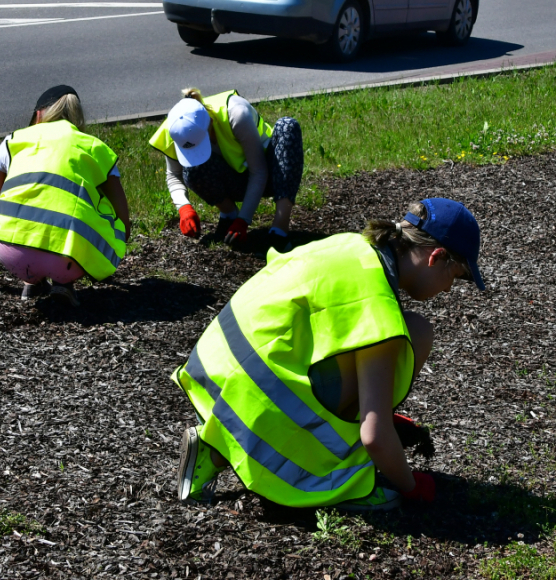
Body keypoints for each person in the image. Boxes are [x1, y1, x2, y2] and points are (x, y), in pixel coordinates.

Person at [172, 198, 487, 512]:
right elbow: (374, 436)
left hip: (215, 370)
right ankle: (342, 479)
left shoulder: (353, 246)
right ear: (436, 257)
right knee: (407, 338)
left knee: (414, 330)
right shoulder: (375, 300)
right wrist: (411, 486)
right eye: (457, 277)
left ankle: (217, 439)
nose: (448, 290)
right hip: (251, 402)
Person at [0, 85, 131, 307]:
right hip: (68, 261)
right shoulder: (96, 148)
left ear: (39, 114)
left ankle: (31, 279)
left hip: (11, 252)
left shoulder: (12, 142)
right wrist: (103, 259)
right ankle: (64, 282)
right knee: (97, 207)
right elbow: (124, 223)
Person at [149, 88, 302, 252]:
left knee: (288, 126)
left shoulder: (236, 114)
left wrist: (245, 220)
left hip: (272, 175)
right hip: (235, 183)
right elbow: (174, 174)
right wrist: (184, 207)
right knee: (191, 170)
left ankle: (279, 229)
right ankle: (229, 215)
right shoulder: (175, 127)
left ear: (210, 123)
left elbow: (259, 171)